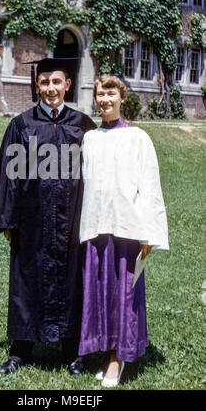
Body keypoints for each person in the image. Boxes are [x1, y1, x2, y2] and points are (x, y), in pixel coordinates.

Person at [0, 57, 96, 375]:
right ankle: (21, 350)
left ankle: (72, 352)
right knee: (27, 278)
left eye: (56, 82)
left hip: (71, 220)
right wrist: (8, 219)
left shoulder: (83, 124)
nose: (51, 88)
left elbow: (98, 175)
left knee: (73, 280)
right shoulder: (22, 124)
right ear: (38, 85)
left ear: (67, 85)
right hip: (32, 219)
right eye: (45, 82)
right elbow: (8, 175)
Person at [78, 74, 169, 387]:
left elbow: (150, 187)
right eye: (101, 94)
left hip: (127, 230)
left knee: (122, 294)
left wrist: (150, 235)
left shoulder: (137, 138)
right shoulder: (90, 138)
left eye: (111, 94)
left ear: (122, 98)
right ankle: (105, 351)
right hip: (96, 228)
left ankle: (119, 357)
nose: (105, 100)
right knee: (100, 293)